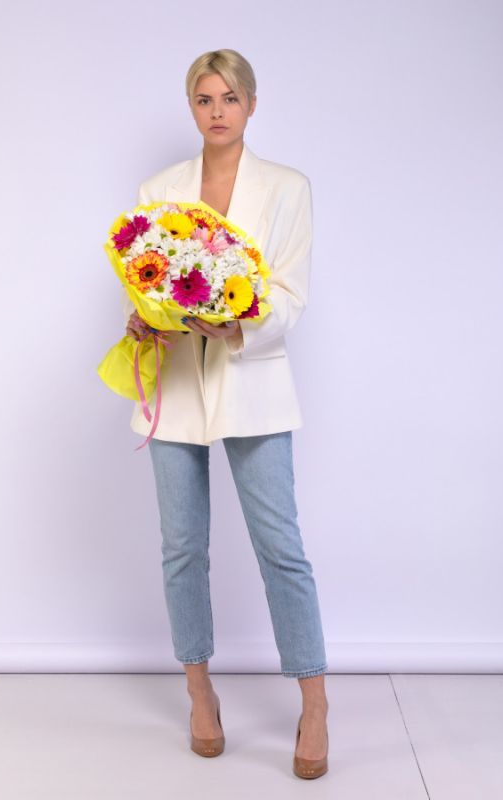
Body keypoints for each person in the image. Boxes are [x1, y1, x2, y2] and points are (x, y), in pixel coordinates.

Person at [122, 49, 329, 779]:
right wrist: (144, 321)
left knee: (280, 546)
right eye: (204, 98)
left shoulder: (285, 188)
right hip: (177, 382)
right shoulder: (159, 188)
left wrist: (237, 326)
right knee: (182, 548)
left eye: (229, 97)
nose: (217, 110)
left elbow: (291, 296)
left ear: (250, 105)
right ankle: (200, 694)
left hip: (252, 378)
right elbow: (145, 281)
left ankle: (313, 701)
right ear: (192, 108)